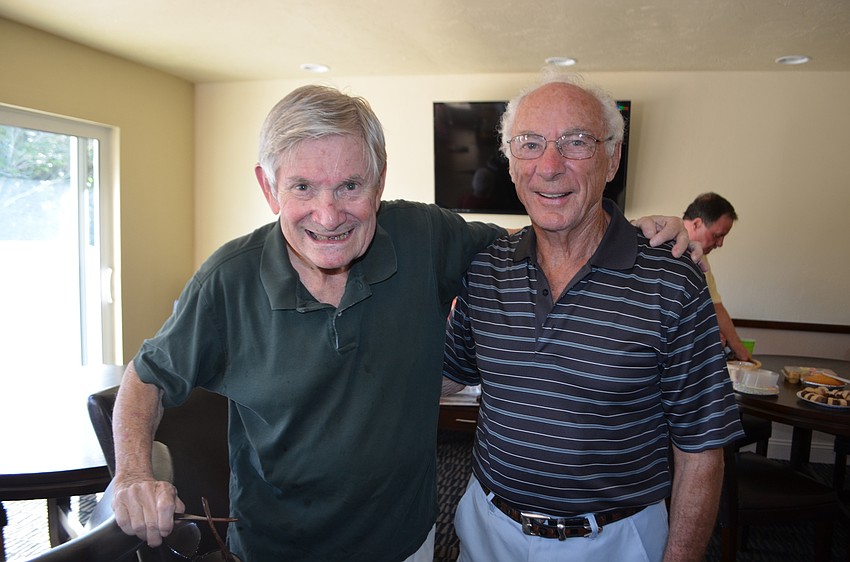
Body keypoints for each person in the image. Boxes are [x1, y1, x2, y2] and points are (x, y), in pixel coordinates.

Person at [110, 84, 695, 561]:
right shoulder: (227, 280)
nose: (328, 213)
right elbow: (146, 378)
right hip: (275, 547)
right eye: (302, 187)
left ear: (380, 180)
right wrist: (133, 473)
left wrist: (634, 231)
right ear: (268, 187)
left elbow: (547, 241)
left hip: (406, 543)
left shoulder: (425, 237)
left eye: (350, 186)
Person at [443, 72, 744, 562]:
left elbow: (701, 450)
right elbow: (446, 378)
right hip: (487, 530)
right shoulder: (485, 267)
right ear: (512, 163)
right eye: (530, 143)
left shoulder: (672, 278)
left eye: (576, 142)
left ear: (612, 158)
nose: (550, 165)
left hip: (614, 543)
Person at [683, 192, 750, 361]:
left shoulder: (701, 259)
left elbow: (716, 306)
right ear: (697, 223)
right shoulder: (661, 246)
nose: (720, 244)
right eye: (717, 235)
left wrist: (740, 350)